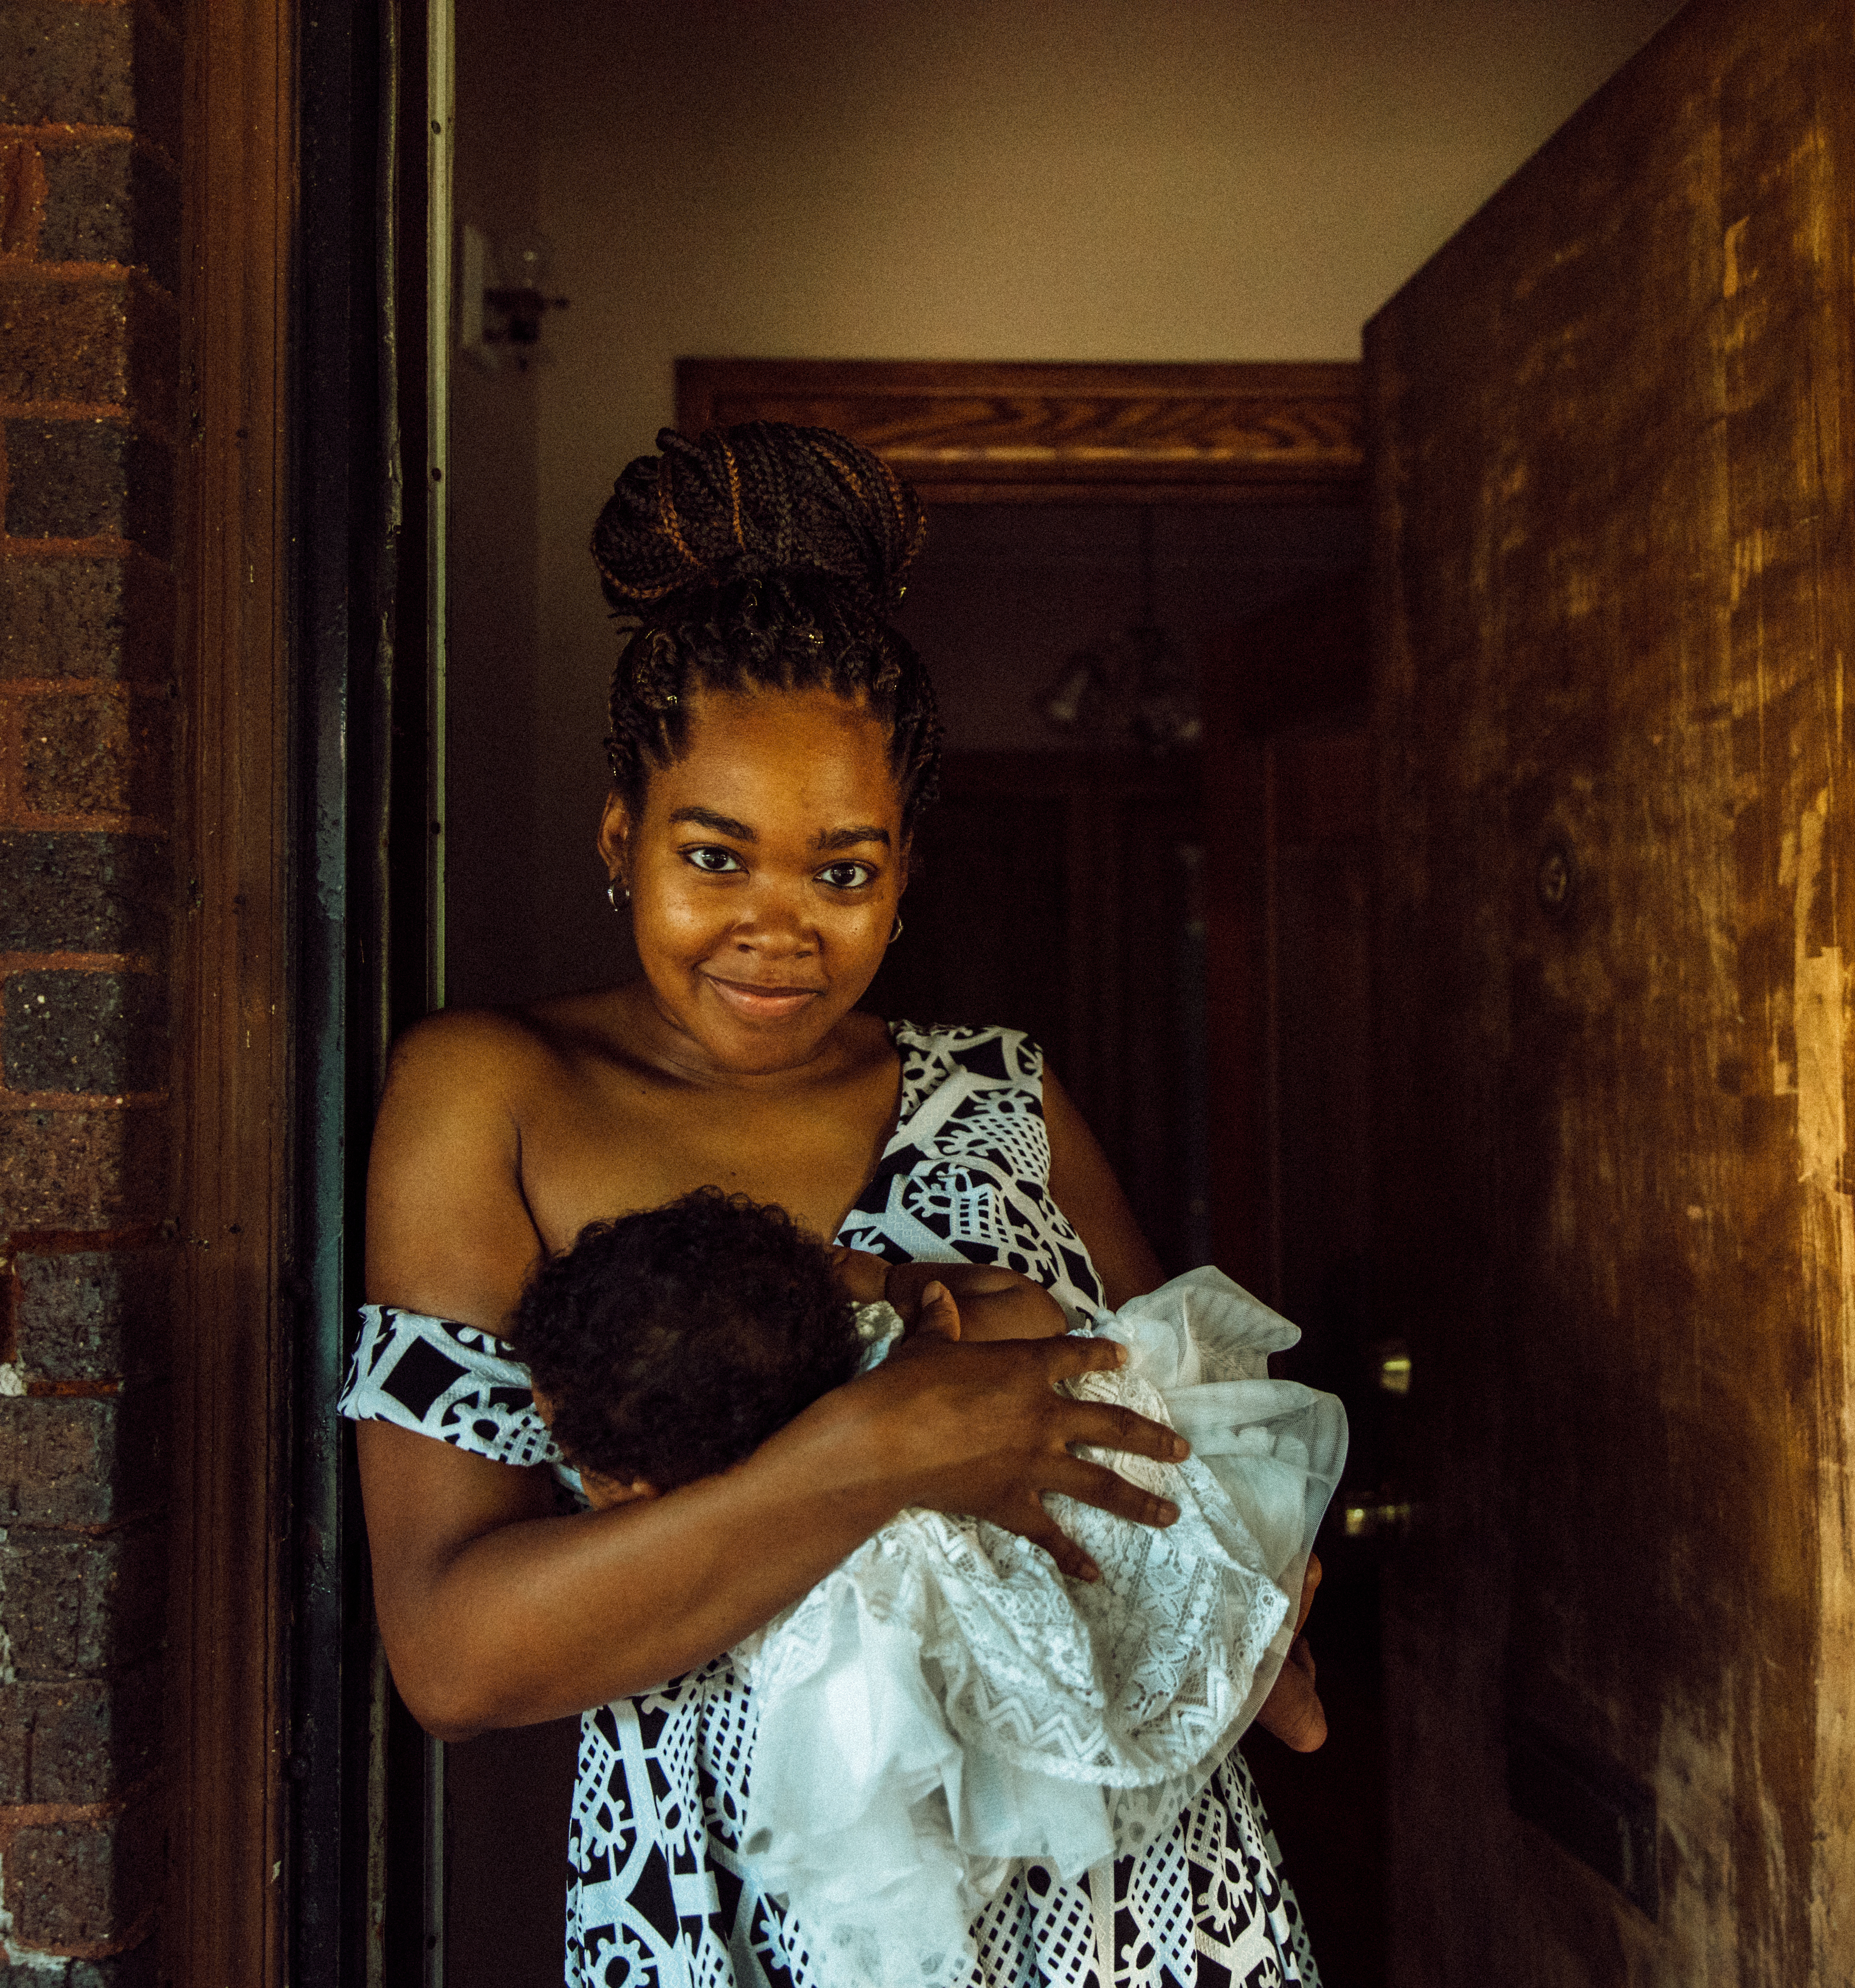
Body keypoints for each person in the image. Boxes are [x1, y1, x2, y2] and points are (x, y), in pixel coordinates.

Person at [343, 420, 1327, 1988]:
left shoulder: (1006, 1099)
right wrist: (877, 1452)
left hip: (1119, 1892)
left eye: (843, 872)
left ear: (905, 876)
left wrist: (1247, 1570)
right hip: (738, 1902)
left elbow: (1178, 1443)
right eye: (715, 858)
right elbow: (455, 1657)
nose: (776, 929)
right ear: (623, 837)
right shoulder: (492, 1095)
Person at [490, 1185, 1344, 1986]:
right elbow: (1036, 1310)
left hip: (1013, 1627)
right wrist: (901, 1281)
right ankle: (1281, 1683)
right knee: (1190, 1555)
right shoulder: (906, 1349)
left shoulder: (748, 1529)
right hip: (1117, 1520)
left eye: (573, 1455)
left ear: (640, 1489)